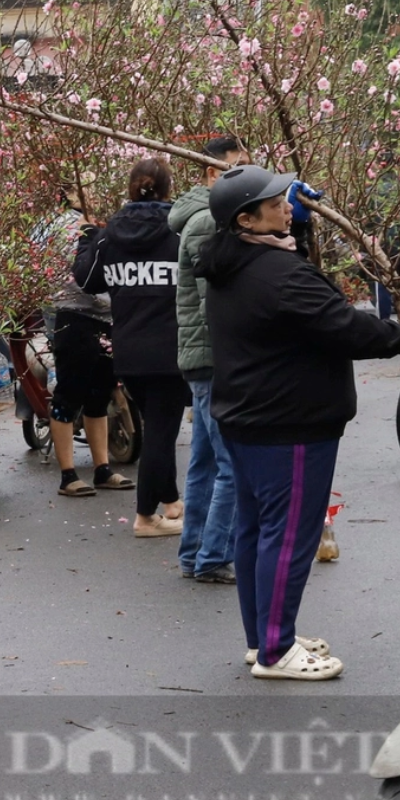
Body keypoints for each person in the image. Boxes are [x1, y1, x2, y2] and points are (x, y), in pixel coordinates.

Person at [199, 168, 400, 680]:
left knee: (257, 530)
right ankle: (277, 652)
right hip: (290, 423)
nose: (288, 207)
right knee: (287, 537)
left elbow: (302, 295)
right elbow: (342, 325)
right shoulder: (277, 275)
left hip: (250, 416)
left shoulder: (234, 263)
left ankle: (265, 639)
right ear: (246, 219)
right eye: (277, 203)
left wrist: (296, 227)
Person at [76, 158, 189, 539]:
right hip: (173, 348)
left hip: (129, 349)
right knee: (160, 432)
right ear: (168, 189)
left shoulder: (110, 234)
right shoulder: (180, 230)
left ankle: (171, 502)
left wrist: (86, 240)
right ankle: (145, 516)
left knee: (157, 426)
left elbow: (88, 281)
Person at [170, 135, 249, 582]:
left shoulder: (205, 216)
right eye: (237, 169)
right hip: (213, 357)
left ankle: (195, 551)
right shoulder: (206, 222)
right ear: (211, 173)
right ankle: (213, 556)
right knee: (231, 465)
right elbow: (212, 302)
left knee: (204, 461)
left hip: (204, 357)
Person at [42, 204, 126, 497]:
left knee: (100, 394)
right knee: (69, 393)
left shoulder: (111, 218)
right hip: (74, 314)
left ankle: (102, 469)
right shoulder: (64, 225)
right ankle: (68, 475)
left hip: (108, 317)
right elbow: (73, 269)